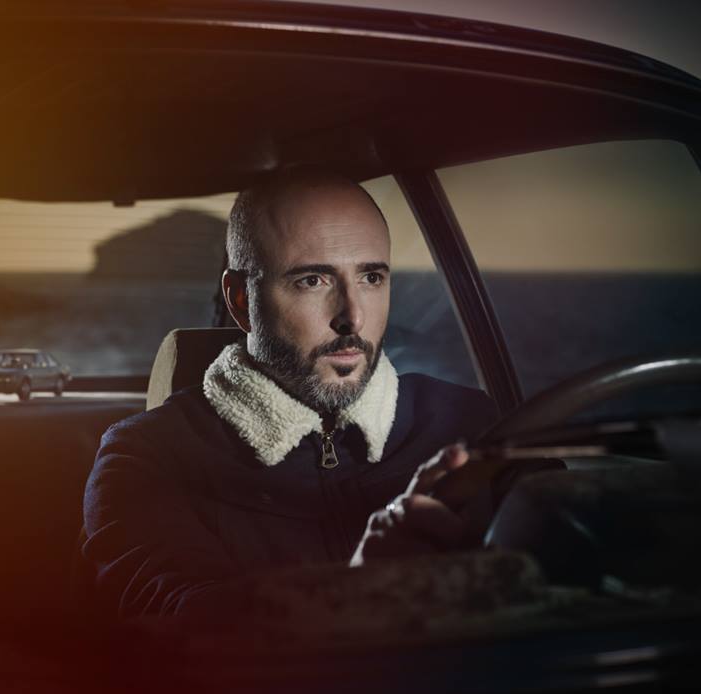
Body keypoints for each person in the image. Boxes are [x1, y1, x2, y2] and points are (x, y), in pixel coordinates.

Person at [81, 167, 501, 619]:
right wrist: (360, 591)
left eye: (371, 278)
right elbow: (183, 630)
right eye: (312, 280)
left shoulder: (469, 425)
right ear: (241, 300)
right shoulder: (147, 458)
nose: (353, 317)